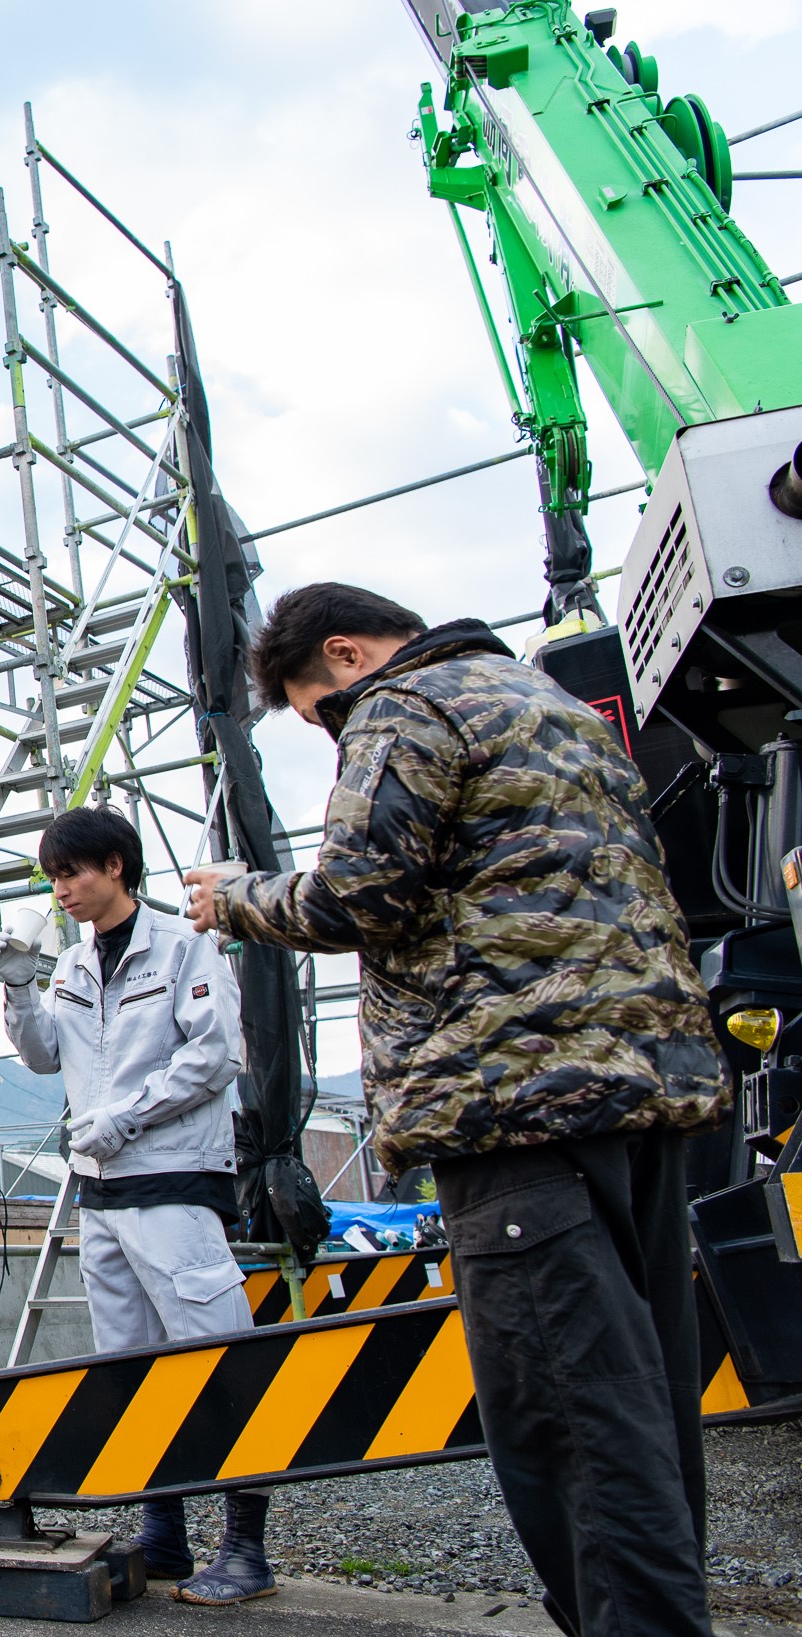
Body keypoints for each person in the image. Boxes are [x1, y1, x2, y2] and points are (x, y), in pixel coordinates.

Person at [186, 582, 725, 1637]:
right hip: (638, 1092)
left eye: (316, 711)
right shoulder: (549, 705)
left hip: (510, 1106)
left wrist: (237, 898)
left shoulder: (402, 703)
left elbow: (357, 892)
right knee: (645, 1404)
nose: (332, 731)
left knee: (570, 1419)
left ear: (343, 655)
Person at [0, 807, 271, 1605]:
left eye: (71, 871)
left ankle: (246, 1549)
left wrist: (125, 1116)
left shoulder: (186, 947)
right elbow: (45, 1054)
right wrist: (17, 986)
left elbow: (213, 1055)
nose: (61, 889)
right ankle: (165, 1536)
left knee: (217, 1357)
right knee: (132, 1368)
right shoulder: (74, 964)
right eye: (51, 876)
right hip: (101, 1193)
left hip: (173, 1182)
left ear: (115, 865)